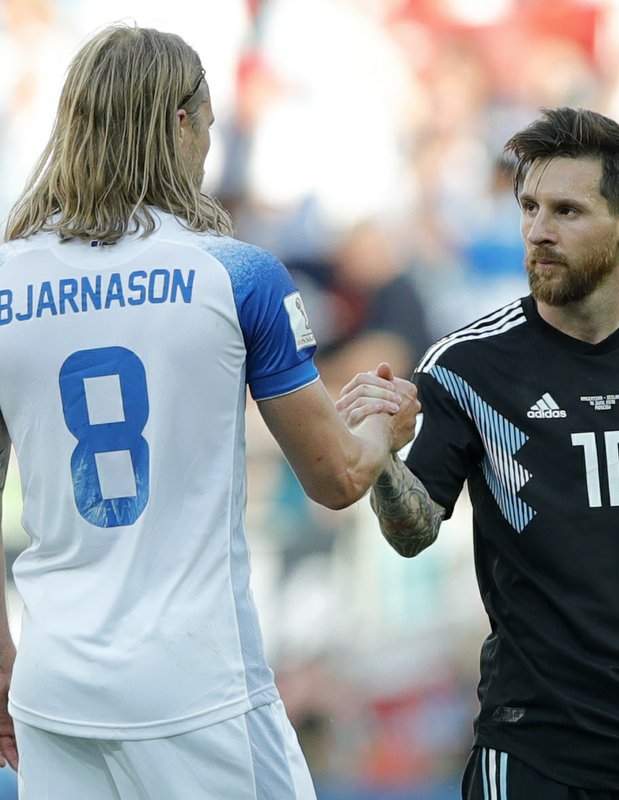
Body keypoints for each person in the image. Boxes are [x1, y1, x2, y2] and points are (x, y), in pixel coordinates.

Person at [0, 24, 418, 800]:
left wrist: (2, 662)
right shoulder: (235, 274)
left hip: (54, 685)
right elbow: (337, 477)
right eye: (211, 124)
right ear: (183, 124)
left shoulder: (6, 283)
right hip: (196, 687)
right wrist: (386, 423)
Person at [336, 107, 619, 799]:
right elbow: (413, 532)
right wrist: (383, 464)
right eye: (528, 207)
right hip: (536, 749)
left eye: (566, 211)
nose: (537, 232)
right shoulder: (467, 367)